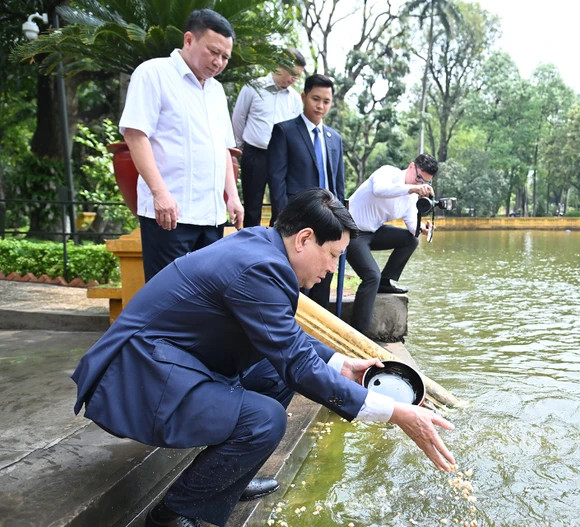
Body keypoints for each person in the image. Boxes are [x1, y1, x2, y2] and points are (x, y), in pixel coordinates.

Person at [70, 188, 455, 527]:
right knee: (264, 420)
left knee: (273, 376)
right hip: (138, 376)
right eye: (333, 255)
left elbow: (282, 337)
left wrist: (340, 363)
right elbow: (299, 365)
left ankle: (227, 480)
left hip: (171, 360)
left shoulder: (262, 245)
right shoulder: (258, 268)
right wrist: (398, 412)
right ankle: (171, 515)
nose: (333, 269)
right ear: (305, 239)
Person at [119, 9, 244, 282]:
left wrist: (232, 196)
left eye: (225, 57)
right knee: (167, 299)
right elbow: (135, 135)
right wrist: (159, 193)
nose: (219, 62)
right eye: (213, 52)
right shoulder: (153, 74)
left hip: (211, 218)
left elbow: (221, 147)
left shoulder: (216, 91)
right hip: (169, 216)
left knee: (207, 299)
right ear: (189, 39)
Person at [267, 74, 345, 309]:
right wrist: (284, 223)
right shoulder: (285, 131)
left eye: (326, 101)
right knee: (292, 289)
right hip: (297, 224)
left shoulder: (335, 138)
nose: (321, 106)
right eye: (316, 99)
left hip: (328, 224)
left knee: (322, 287)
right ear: (304, 97)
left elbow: (338, 185)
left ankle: (317, 342)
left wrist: (342, 224)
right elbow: (277, 181)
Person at [346, 154, 438, 335]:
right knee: (372, 276)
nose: (420, 184)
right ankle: (358, 333)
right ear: (412, 167)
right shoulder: (388, 172)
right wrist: (412, 188)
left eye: (425, 182)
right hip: (351, 231)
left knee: (411, 239)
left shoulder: (411, 197)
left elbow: (413, 227)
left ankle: (386, 281)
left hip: (373, 232)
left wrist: (424, 228)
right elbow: (379, 190)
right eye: (419, 178)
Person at [231, 48, 306, 228]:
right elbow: (239, 119)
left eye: (298, 76)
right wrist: (240, 149)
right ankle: (251, 249)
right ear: (279, 66)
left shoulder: (295, 99)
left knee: (281, 207)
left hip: (282, 159)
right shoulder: (253, 87)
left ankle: (276, 247)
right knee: (252, 206)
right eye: (292, 74)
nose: (293, 79)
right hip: (254, 154)